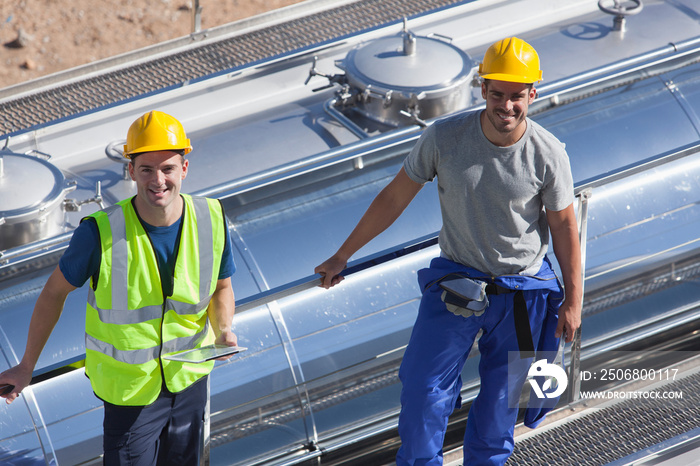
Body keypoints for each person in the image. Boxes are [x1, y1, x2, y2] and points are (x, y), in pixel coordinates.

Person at [315, 37, 582, 465]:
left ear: (533, 94)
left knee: (501, 407)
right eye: (497, 94)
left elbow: (565, 226)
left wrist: (573, 301)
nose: (506, 106)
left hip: (524, 294)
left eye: (517, 96)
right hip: (456, 283)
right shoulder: (444, 137)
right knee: (423, 390)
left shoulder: (548, 154)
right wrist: (342, 254)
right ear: (483, 90)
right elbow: (393, 198)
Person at [0, 110, 238, 465]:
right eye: (146, 169)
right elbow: (53, 294)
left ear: (184, 169)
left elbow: (221, 287)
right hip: (130, 396)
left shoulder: (212, 217)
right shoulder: (99, 232)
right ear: (131, 171)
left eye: (168, 168)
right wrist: (26, 365)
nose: (158, 180)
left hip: (190, 381)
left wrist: (224, 330)